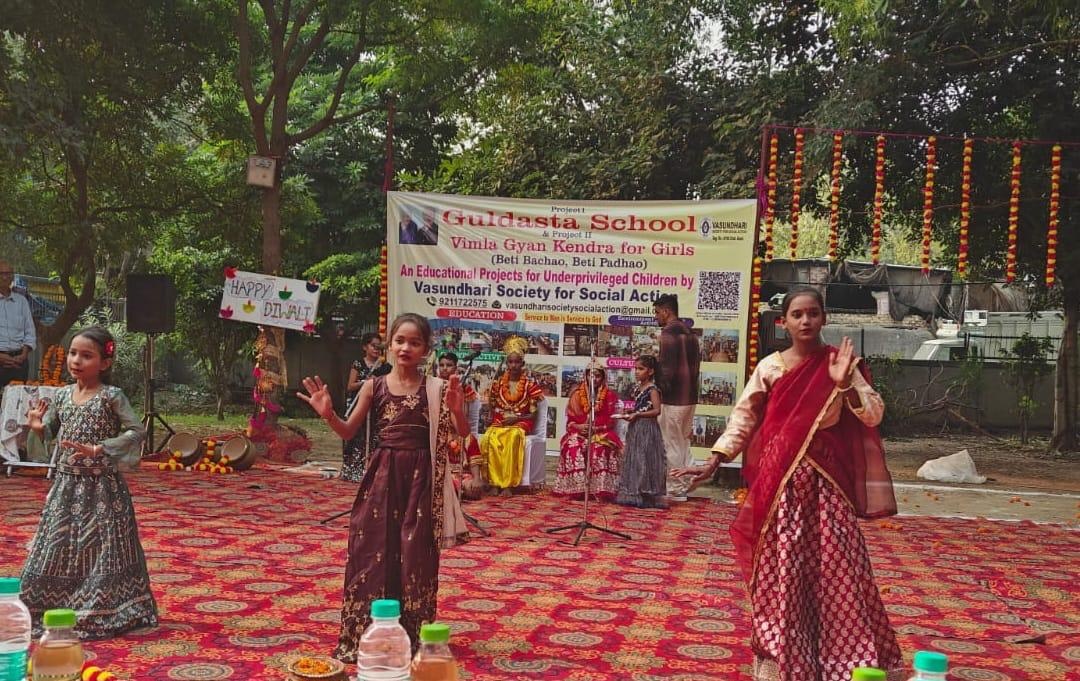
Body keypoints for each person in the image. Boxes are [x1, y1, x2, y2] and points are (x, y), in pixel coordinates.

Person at [673, 287, 901, 681]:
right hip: (780, 486)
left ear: (824, 318)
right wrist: (715, 459)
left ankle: (845, 658)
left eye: (813, 313)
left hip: (826, 486)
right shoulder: (770, 367)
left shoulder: (841, 364)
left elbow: (873, 415)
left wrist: (845, 384)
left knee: (838, 570)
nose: (806, 321)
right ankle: (783, 659)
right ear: (783, 322)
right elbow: (744, 417)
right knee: (783, 571)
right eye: (797, 314)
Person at [297, 313, 470, 661]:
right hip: (382, 479)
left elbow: (462, 433)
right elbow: (348, 431)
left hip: (421, 482)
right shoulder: (372, 386)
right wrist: (328, 414)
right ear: (389, 344)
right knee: (372, 551)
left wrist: (457, 410)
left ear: (426, 350)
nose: (406, 348)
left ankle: (415, 638)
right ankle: (368, 635)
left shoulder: (437, 389)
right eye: (400, 341)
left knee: (415, 557)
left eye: (415, 342)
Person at [21, 326, 157, 639]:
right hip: (66, 488)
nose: (76, 360)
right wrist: (38, 426)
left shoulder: (111, 397)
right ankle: (49, 605)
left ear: (104, 363)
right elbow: (50, 433)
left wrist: (101, 448)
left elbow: (137, 431)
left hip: (103, 489)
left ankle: (105, 609)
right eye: (72, 353)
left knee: (105, 547)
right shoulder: (62, 395)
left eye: (86, 355)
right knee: (57, 544)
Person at [654, 293, 700, 500]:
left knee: (671, 443)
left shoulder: (668, 333)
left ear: (666, 311)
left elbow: (667, 370)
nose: (656, 316)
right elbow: (696, 367)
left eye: (657, 312)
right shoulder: (690, 332)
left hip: (673, 398)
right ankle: (687, 483)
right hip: (689, 397)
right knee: (683, 442)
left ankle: (675, 489)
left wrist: (659, 390)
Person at [554, 364, 622, 500]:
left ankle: (600, 490)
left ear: (603, 378)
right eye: (591, 375)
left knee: (599, 448)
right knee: (572, 446)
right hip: (580, 431)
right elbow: (570, 421)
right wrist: (579, 427)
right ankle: (575, 489)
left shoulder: (609, 396)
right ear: (585, 376)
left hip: (602, 432)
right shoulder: (576, 395)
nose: (594, 379)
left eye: (598, 376)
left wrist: (596, 428)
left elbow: (611, 421)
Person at [479, 350, 543, 496]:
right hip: (501, 420)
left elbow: (533, 414)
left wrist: (516, 419)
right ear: (506, 364)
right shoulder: (498, 384)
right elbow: (493, 407)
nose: (513, 365)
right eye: (510, 362)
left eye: (517, 362)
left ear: (522, 364)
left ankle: (508, 484)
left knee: (512, 438)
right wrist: (490, 417)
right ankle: (494, 482)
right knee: (489, 438)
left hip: (521, 421)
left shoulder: (530, 385)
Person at [615, 355, 667, 509]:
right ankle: (635, 491)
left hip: (648, 428)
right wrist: (630, 411)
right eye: (635, 368)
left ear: (650, 371)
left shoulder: (653, 389)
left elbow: (656, 410)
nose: (636, 372)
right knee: (635, 458)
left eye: (641, 369)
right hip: (636, 427)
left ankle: (647, 493)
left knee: (646, 458)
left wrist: (637, 414)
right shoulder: (638, 388)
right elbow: (641, 407)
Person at [340, 333, 388, 482]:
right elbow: (350, 386)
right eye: (373, 346)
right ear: (365, 347)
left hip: (377, 407)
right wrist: (365, 382)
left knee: (376, 437)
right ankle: (353, 470)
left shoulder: (385, 367)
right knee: (356, 436)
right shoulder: (358, 364)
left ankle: (374, 470)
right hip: (359, 404)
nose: (376, 349)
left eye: (379, 346)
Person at [436, 352, 484, 499]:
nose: (445, 368)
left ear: (456, 368)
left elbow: (464, 414)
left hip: (457, 429)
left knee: (473, 491)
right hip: (437, 429)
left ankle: (468, 482)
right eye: (441, 365)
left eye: (449, 365)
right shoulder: (432, 386)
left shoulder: (464, 389)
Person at [0, 261, 36, 389]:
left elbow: (30, 331)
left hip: (19, 362)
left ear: (13, 276)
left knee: (18, 398)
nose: (5, 277)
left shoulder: (21, 301)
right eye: (1, 273)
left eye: (8, 273)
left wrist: (23, 355)